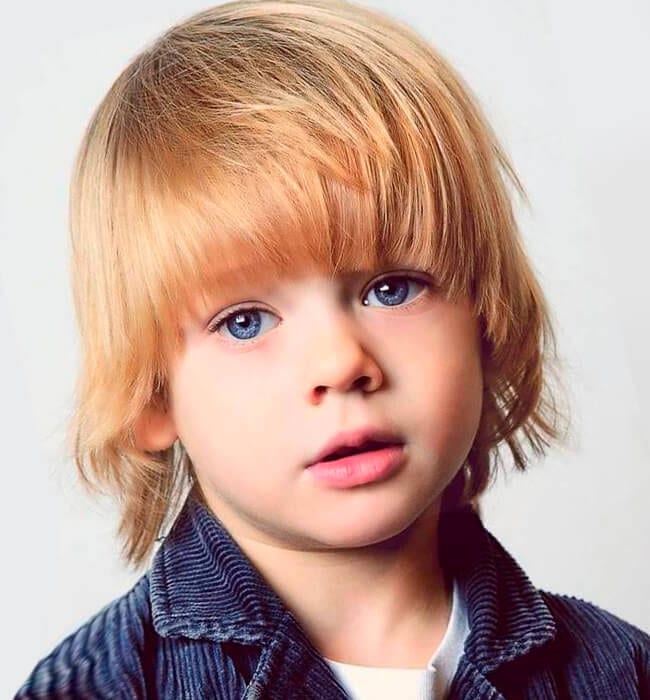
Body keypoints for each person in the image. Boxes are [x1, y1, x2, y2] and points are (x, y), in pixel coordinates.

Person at [15, 0, 650, 698]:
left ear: (485, 320)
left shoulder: (621, 671)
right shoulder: (95, 689)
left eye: (392, 288)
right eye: (245, 322)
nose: (341, 364)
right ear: (151, 395)